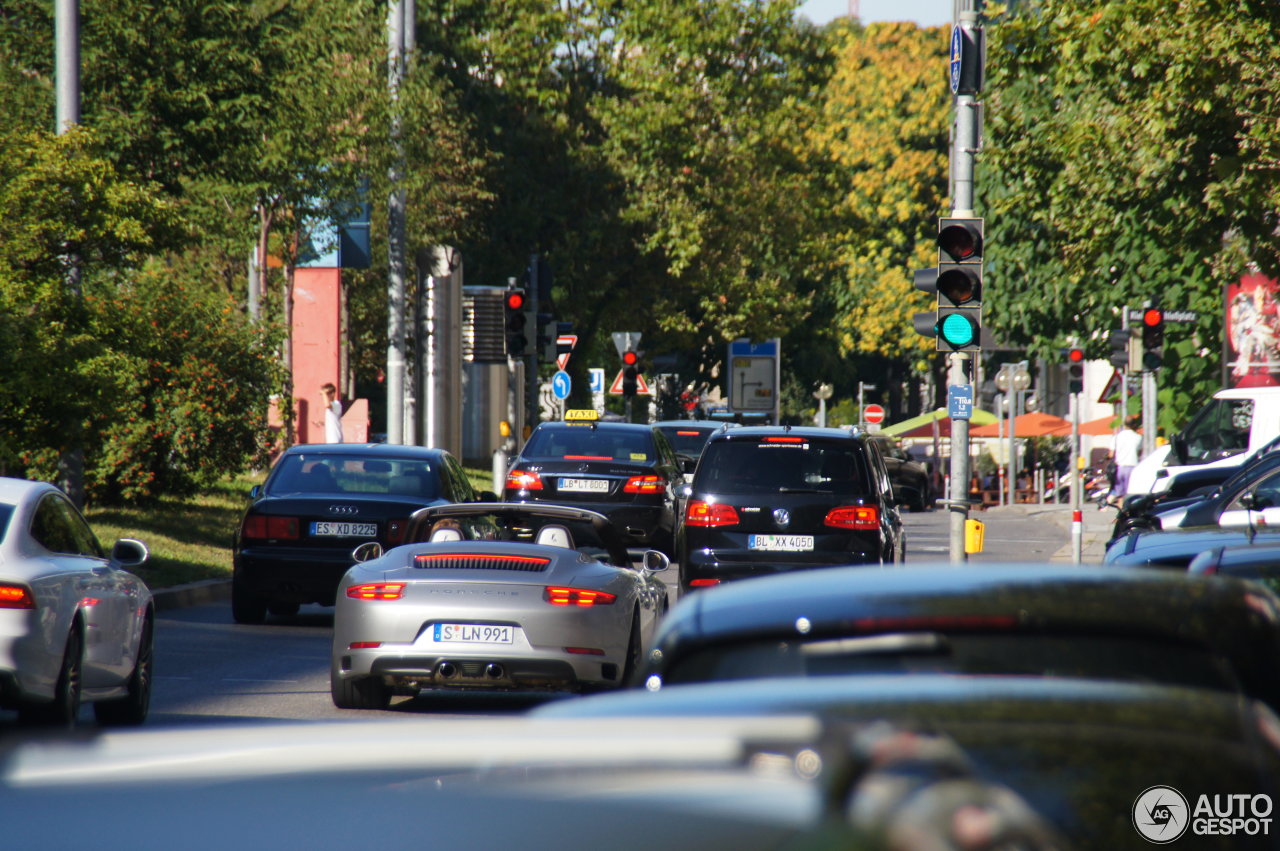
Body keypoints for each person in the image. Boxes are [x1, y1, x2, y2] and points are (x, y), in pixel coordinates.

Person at [1110, 415, 1142, 505]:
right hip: (1133, 467)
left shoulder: (1116, 437)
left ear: (1124, 424)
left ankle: (1120, 513)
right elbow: (1139, 452)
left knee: (1120, 495)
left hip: (1119, 468)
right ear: (1134, 425)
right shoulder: (1138, 437)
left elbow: (1111, 454)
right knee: (1130, 494)